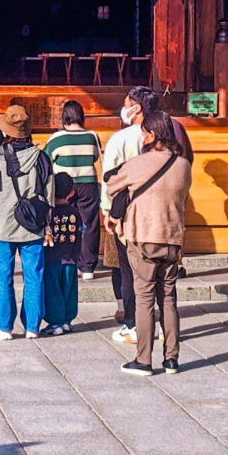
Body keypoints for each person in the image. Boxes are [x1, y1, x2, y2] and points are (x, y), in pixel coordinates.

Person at [115, 104, 193, 375]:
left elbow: (113, 184)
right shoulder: (184, 166)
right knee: (168, 298)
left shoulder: (138, 163)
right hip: (173, 238)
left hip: (143, 236)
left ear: (152, 134)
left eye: (144, 133)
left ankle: (144, 360)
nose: (142, 137)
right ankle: (171, 359)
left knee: (145, 298)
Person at [0, 103, 52, 340]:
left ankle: (4, 327)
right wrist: (47, 225)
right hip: (33, 225)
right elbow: (49, 196)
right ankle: (32, 326)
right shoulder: (41, 158)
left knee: (3, 276)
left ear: (6, 130)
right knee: (34, 277)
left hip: (0, 224)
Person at [42, 100, 102, 332]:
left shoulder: (56, 138)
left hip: (63, 186)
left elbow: (47, 160)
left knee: (63, 224)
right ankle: (87, 267)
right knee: (89, 224)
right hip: (88, 183)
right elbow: (95, 157)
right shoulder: (92, 136)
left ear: (64, 116)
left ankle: (64, 257)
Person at [99, 93, 147, 345]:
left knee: (125, 268)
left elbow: (108, 178)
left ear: (136, 108)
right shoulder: (164, 137)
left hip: (124, 210)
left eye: (126, 105)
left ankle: (132, 321)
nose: (123, 109)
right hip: (154, 210)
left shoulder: (120, 138)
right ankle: (155, 320)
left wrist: (107, 209)